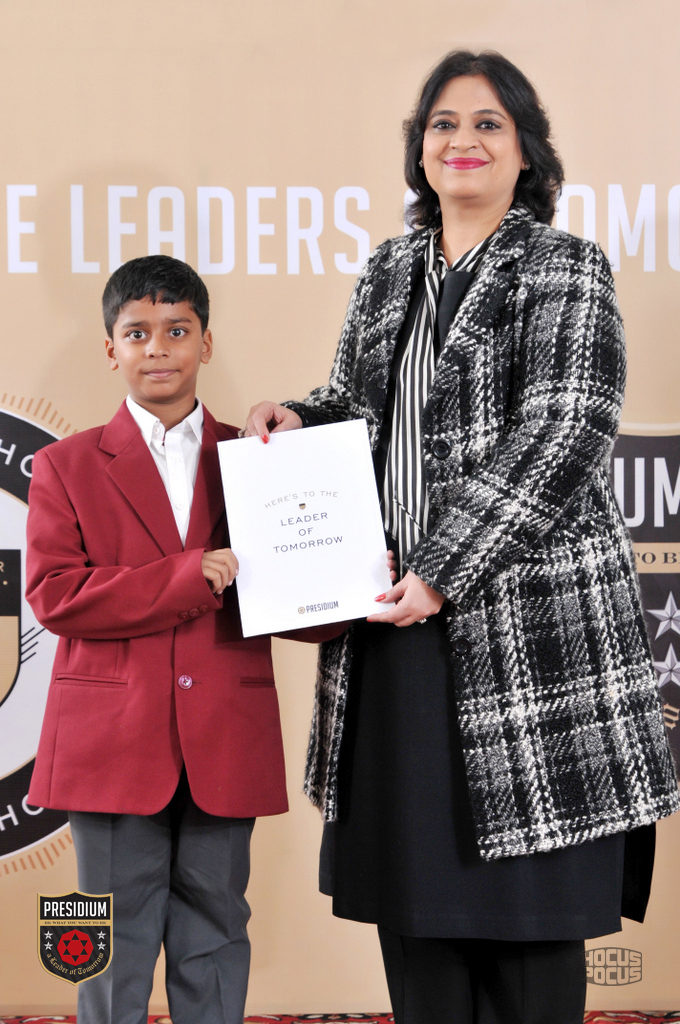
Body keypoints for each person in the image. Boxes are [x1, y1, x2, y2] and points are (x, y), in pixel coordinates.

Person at [245, 51, 680, 1024]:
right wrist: (299, 419)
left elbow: (564, 429)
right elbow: (359, 405)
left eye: (488, 123)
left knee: (527, 926)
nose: (462, 141)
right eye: (442, 124)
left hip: (526, 635)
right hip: (392, 630)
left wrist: (441, 569)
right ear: (419, 149)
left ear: (526, 151)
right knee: (418, 922)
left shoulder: (564, 265)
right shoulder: (388, 268)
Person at [25, 255, 319, 1024]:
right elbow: (56, 596)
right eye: (137, 333)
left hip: (225, 731)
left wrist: (349, 580)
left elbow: (302, 603)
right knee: (103, 937)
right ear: (110, 349)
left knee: (216, 927)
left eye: (177, 330)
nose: (157, 347)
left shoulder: (258, 461)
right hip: (109, 744)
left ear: (206, 343)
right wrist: (189, 576)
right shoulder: (64, 465)